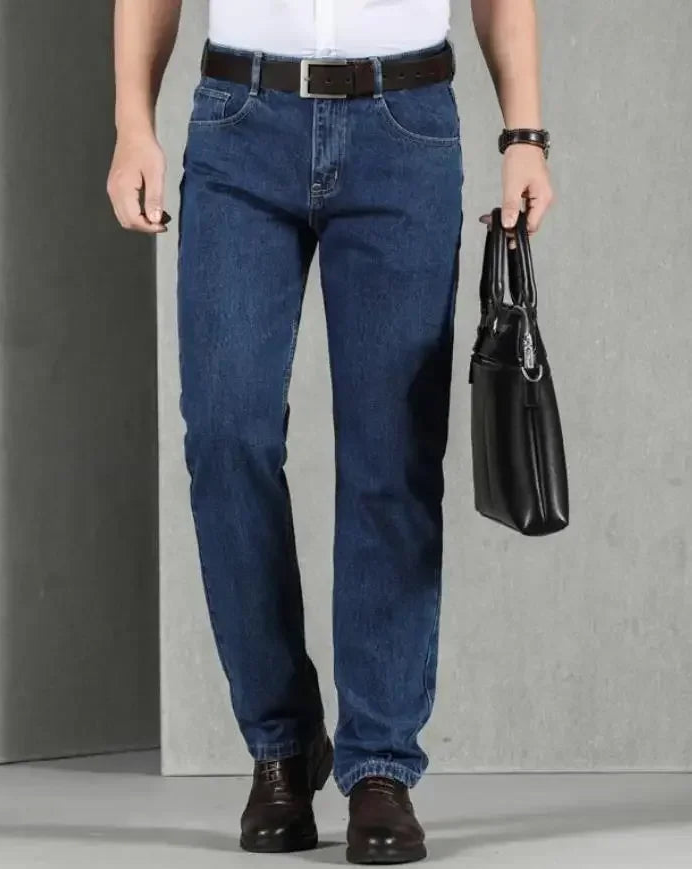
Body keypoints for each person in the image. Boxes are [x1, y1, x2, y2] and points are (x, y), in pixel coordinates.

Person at [107, 0, 553, 863]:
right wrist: (134, 122)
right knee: (225, 436)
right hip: (240, 120)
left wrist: (524, 133)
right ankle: (281, 742)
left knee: (393, 454)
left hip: (404, 126)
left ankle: (380, 762)